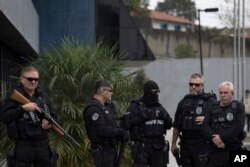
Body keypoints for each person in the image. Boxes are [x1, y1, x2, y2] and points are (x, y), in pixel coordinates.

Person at [0, 66, 57, 167]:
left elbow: (53, 116)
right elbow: (5, 117)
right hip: (23, 146)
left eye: (36, 79)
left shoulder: (43, 96)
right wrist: (22, 109)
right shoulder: (14, 96)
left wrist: (49, 124)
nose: (33, 82)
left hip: (42, 145)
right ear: (22, 79)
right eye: (30, 79)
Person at [171, 73, 217, 167]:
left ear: (203, 86)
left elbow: (219, 121)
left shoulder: (211, 102)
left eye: (197, 85)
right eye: (191, 84)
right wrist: (173, 144)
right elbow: (176, 126)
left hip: (203, 145)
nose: (193, 87)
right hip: (186, 146)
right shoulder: (183, 102)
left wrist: (206, 119)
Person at [122, 80, 172, 167]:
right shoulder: (135, 106)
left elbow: (168, 125)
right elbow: (126, 125)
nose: (157, 94)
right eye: (154, 92)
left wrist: (165, 117)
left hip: (158, 148)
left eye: (158, 92)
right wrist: (141, 117)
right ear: (147, 92)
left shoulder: (159, 107)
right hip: (142, 148)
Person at [83, 80, 128, 167]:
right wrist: (120, 132)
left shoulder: (106, 107)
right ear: (102, 91)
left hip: (110, 149)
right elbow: (102, 130)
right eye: (110, 91)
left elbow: (112, 125)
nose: (112, 93)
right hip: (101, 151)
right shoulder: (93, 108)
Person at [202, 81, 246, 167]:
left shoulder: (239, 106)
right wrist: (216, 140)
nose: (223, 95)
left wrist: (221, 137)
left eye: (226, 93)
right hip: (215, 149)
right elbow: (204, 126)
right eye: (221, 93)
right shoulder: (213, 107)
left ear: (232, 93)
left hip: (234, 148)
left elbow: (239, 126)